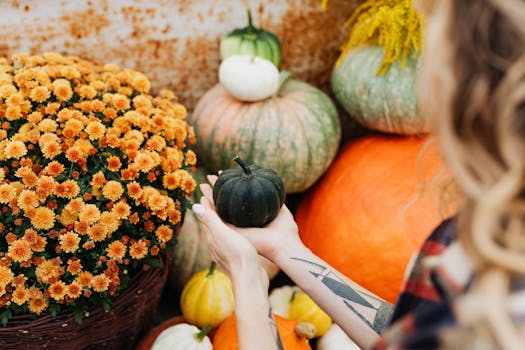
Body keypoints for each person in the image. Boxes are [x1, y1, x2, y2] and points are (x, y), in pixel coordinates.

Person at [191, 0, 525, 349]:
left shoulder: (497, 320)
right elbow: (405, 333)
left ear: (477, 100)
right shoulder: (486, 234)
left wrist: (247, 278)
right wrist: (285, 248)